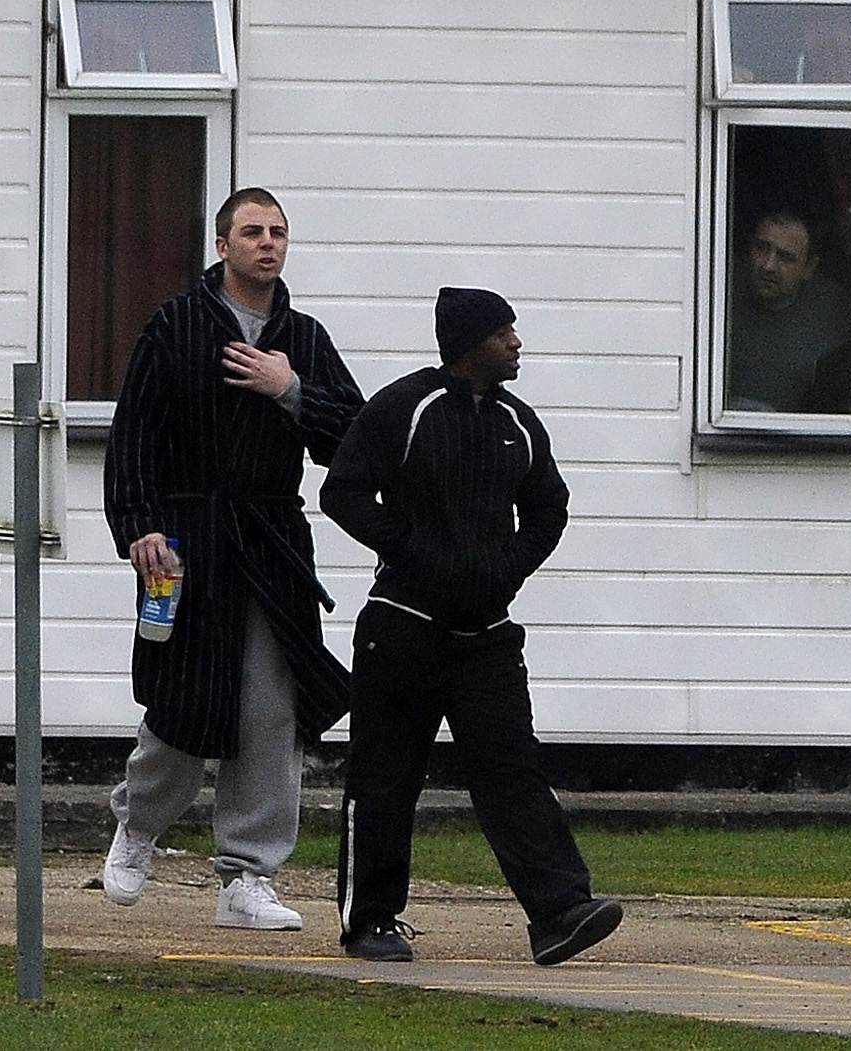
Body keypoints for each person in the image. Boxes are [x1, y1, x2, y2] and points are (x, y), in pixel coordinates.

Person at [322, 288, 622, 969]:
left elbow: (549, 509)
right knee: (385, 777)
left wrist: (505, 570)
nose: (516, 342)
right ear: (466, 344)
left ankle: (560, 911)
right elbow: (342, 492)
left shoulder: (519, 422)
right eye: (501, 331)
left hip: (487, 634)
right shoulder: (406, 406)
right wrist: (416, 553)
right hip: (403, 626)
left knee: (512, 768)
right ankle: (370, 921)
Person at [98, 187, 364, 931]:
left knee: (272, 711)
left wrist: (292, 390)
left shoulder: (304, 337)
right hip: (185, 542)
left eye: (278, 232)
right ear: (222, 245)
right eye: (252, 231)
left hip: (273, 541)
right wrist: (139, 526)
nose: (267, 243)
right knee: (184, 700)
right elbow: (133, 434)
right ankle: (138, 826)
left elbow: (355, 436)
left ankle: (248, 874)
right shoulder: (176, 324)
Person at [724, 202, 851, 413]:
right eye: (761, 248)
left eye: (785, 257)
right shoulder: (718, 294)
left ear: (809, 268)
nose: (768, 266)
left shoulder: (833, 315)